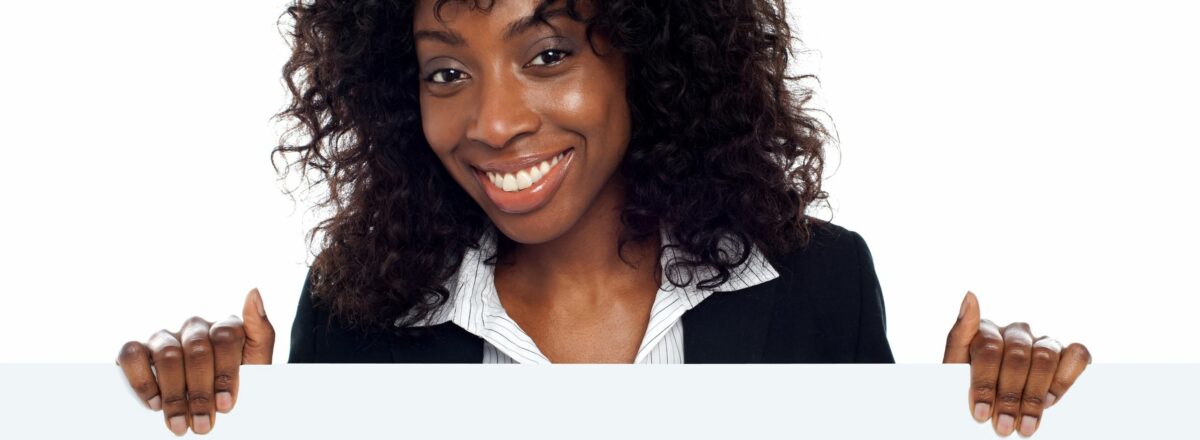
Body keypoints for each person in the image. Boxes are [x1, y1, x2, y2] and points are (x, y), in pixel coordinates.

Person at [115, 0, 1091, 437]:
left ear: (646, 48)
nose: (495, 121)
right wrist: (202, 425)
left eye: (547, 53)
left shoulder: (815, 287)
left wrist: (983, 428)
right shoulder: (356, 317)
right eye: (448, 70)